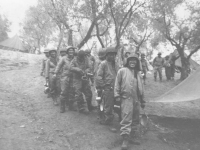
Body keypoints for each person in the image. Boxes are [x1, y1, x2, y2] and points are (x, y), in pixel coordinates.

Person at [114, 54, 145, 150]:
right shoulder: (122, 71)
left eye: (134, 61)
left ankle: (133, 136)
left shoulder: (138, 73)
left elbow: (142, 88)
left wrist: (143, 100)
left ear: (137, 62)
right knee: (126, 117)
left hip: (136, 99)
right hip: (126, 98)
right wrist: (117, 96)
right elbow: (117, 84)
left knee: (136, 118)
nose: (132, 62)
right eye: (130, 60)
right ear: (127, 61)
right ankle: (125, 139)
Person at [96, 47, 118, 125]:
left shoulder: (115, 64)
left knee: (115, 103)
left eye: (113, 55)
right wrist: (103, 85)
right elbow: (98, 76)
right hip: (108, 87)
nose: (112, 56)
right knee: (107, 104)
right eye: (110, 55)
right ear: (106, 55)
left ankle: (107, 117)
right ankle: (107, 120)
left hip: (115, 87)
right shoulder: (103, 64)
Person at [54, 46, 75, 113]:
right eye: (70, 51)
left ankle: (70, 106)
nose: (71, 52)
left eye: (72, 51)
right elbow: (58, 66)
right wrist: (55, 73)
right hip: (65, 77)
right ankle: (62, 107)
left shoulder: (74, 58)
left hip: (73, 77)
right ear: (67, 52)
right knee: (63, 92)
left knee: (72, 91)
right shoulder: (63, 58)